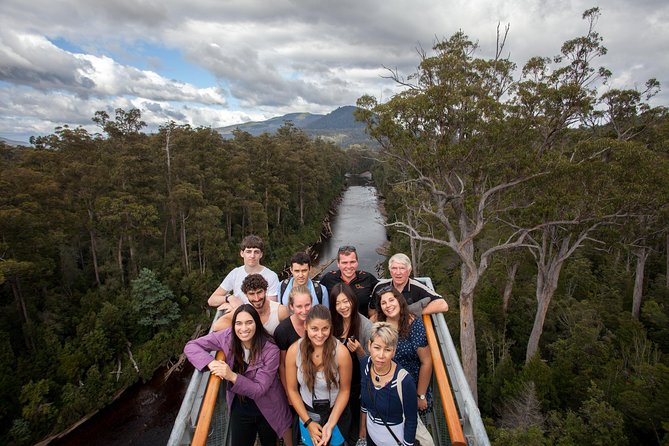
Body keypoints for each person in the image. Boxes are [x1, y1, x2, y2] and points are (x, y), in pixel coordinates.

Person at [184, 304, 292, 446]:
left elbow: (259, 389)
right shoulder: (227, 337)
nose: (244, 329)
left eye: (249, 322)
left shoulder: (270, 349)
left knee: (270, 442)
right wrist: (211, 363)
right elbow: (191, 346)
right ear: (233, 325)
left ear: (256, 323)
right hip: (240, 407)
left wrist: (231, 376)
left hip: (268, 407)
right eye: (238, 323)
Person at [285, 305, 354, 446]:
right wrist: (308, 423)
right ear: (305, 326)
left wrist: (330, 424)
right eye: (314, 329)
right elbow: (292, 390)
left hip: (335, 415)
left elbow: (345, 390)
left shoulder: (341, 353)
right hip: (307, 414)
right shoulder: (293, 351)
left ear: (331, 327)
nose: (320, 334)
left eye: (325, 329)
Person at [375, 286, 433, 414]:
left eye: (391, 300)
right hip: (388, 388)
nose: (388, 305)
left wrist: (421, 395)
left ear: (399, 301)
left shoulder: (414, 324)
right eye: (383, 303)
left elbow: (426, 362)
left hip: (411, 386)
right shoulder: (381, 326)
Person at [360, 322, 418, 446]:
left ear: (394, 351)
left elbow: (411, 419)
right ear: (369, 346)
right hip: (371, 437)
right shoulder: (365, 365)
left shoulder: (404, 381)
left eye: (387, 349)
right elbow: (364, 401)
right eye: (377, 347)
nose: (381, 355)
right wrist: (362, 428)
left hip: (394, 440)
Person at [329, 282, 372, 443]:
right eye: (338, 303)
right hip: (335, 386)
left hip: (357, 387)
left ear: (353, 301)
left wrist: (360, 352)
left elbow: (374, 365)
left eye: (345, 301)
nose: (343, 307)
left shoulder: (365, 326)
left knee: (354, 429)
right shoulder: (332, 324)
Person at [208, 235, 280, 310]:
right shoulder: (235, 273)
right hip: (238, 318)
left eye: (256, 252)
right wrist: (230, 298)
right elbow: (212, 300)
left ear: (261, 254)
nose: (252, 256)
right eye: (248, 252)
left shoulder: (271, 276)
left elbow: (270, 308)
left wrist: (237, 308)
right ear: (242, 253)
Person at [372, 253, 449, 316]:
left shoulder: (417, 287)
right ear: (390, 271)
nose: (398, 272)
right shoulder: (380, 287)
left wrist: (411, 313)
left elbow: (443, 305)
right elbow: (372, 311)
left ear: (409, 271)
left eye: (402, 268)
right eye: (394, 268)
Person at [212, 273, 289, 336]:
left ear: (265, 291)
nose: (256, 298)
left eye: (259, 292)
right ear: (246, 295)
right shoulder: (243, 311)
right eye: (251, 294)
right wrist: (243, 329)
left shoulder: (280, 311)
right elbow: (217, 326)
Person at [319, 246, 378, 317]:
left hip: (362, 324)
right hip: (336, 324)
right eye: (344, 263)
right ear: (338, 264)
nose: (349, 266)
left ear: (357, 262)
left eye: (352, 262)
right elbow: (317, 295)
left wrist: (373, 311)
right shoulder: (329, 278)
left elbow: (382, 292)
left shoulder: (367, 277)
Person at [274, 284, 313, 390]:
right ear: (291, 306)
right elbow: (282, 365)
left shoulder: (317, 323)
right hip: (295, 383)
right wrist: (288, 393)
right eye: (299, 306)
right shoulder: (283, 330)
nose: (304, 311)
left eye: (307, 305)